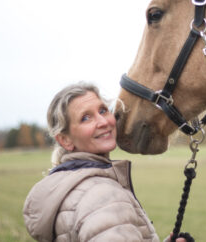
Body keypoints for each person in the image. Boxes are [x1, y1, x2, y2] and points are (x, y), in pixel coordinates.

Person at [23, 82, 186, 242]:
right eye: (85, 118)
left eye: (103, 110)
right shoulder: (102, 196)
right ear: (65, 140)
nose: (103, 121)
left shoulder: (70, 186)